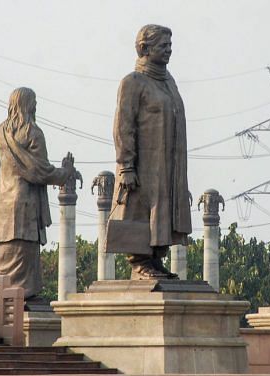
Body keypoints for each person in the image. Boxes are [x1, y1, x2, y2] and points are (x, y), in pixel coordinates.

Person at [105, 24, 192, 279]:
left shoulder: (168, 82)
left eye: (170, 46)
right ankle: (140, 261)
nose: (169, 50)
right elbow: (123, 126)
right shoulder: (133, 82)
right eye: (163, 46)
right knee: (140, 212)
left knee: (164, 211)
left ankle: (154, 260)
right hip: (144, 166)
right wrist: (126, 166)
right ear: (144, 48)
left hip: (168, 166)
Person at [0, 87, 73, 298]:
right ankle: (23, 296)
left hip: (3, 205)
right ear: (27, 104)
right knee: (25, 254)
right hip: (25, 205)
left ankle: (4, 297)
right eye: (34, 102)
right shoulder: (33, 132)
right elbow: (41, 171)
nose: (36, 106)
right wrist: (66, 172)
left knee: (6, 257)